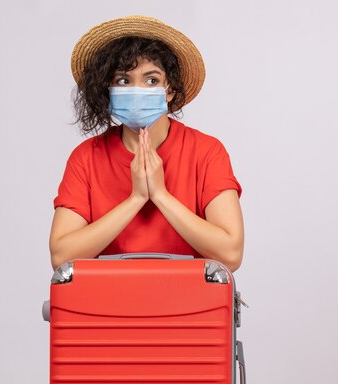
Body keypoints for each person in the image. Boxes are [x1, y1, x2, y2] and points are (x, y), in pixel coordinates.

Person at [49, 16, 244, 272]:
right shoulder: (86, 158)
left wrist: (160, 195)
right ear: (107, 90)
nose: (137, 89)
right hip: (107, 305)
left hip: (190, 306)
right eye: (123, 80)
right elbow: (61, 256)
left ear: (169, 89)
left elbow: (230, 254)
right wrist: (136, 198)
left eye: (151, 80)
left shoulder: (207, 151)